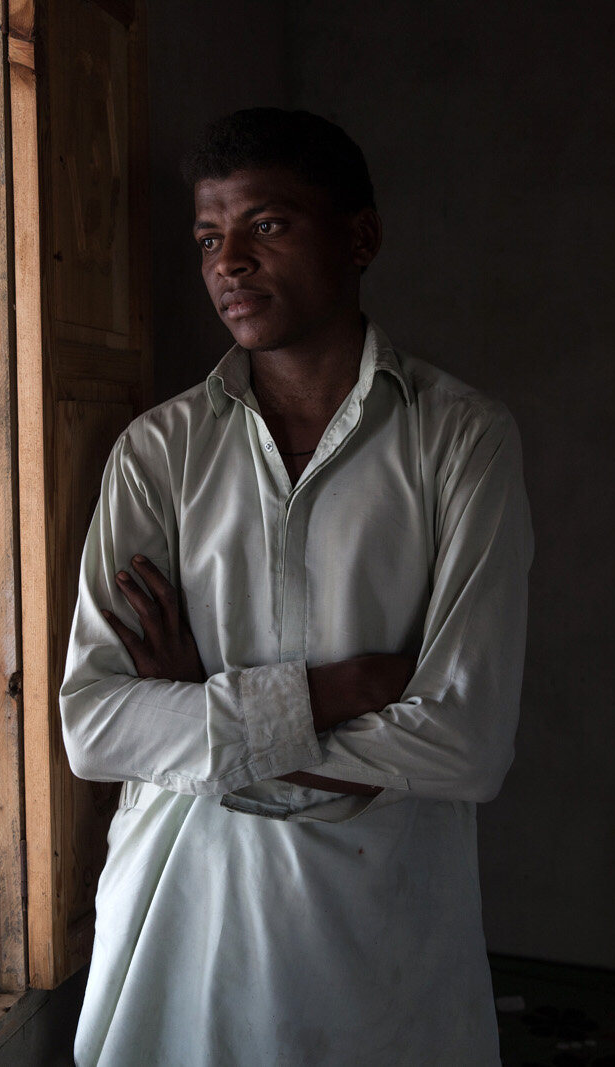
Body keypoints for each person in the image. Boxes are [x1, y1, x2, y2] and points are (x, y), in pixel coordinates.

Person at [60, 107, 533, 1066]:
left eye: (266, 225)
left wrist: (203, 715)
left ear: (360, 237)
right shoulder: (161, 451)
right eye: (207, 238)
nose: (227, 261)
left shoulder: (460, 440)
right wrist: (327, 689)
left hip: (376, 934)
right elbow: (97, 727)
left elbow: (467, 743)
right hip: (180, 917)